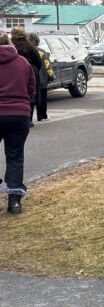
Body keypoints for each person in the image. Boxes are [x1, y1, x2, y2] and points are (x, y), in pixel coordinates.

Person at [0, 30, 35, 214]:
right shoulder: (22, 62)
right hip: (18, 113)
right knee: (15, 156)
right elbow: (31, 88)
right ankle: (14, 200)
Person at [9, 27, 42, 125]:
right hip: (31, 71)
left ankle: (15, 117)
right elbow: (38, 62)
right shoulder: (30, 46)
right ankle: (29, 119)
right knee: (30, 94)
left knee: (16, 95)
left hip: (14, 73)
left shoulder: (11, 46)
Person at [27, 33, 53, 122]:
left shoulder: (25, 50)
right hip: (42, 79)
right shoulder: (41, 52)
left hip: (29, 79)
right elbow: (47, 65)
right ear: (37, 41)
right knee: (42, 98)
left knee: (31, 98)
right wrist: (51, 76)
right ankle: (42, 115)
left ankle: (29, 118)